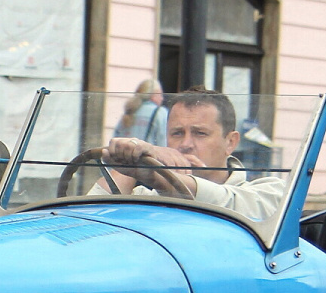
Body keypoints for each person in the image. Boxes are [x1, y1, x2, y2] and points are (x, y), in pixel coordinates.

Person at [93, 88, 286, 221]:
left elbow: (226, 204)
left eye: (200, 133)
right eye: (177, 133)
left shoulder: (270, 193)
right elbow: (90, 219)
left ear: (230, 142)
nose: (185, 145)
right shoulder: (147, 197)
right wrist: (133, 158)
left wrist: (161, 178)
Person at [112, 79, 168, 148]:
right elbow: (163, 141)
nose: (162, 98)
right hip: (147, 153)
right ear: (153, 95)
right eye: (160, 94)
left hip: (125, 153)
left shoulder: (130, 110)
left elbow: (116, 138)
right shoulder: (160, 112)